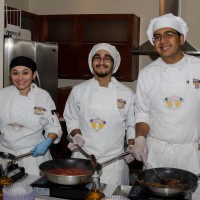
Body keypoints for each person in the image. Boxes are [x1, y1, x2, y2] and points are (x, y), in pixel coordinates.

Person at [131, 13, 200, 174]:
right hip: (156, 153)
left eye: (169, 34)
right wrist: (140, 138)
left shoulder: (197, 68)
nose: (163, 41)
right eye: (157, 37)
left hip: (191, 153)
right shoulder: (147, 73)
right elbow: (142, 113)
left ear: (181, 39)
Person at [63, 43, 135, 185]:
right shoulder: (78, 90)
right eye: (97, 58)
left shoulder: (127, 94)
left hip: (113, 163)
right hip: (83, 158)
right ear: (91, 62)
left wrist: (131, 146)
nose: (101, 62)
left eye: (107, 58)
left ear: (114, 64)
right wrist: (76, 135)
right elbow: (71, 118)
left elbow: (132, 125)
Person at [0, 56, 62, 175]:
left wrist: (48, 141)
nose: (20, 78)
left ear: (34, 75)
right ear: (10, 75)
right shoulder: (3, 95)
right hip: (5, 155)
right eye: (15, 73)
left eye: (25, 73)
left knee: (33, 191)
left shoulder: (43, 97)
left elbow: (54, 127)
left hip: (33, 156)